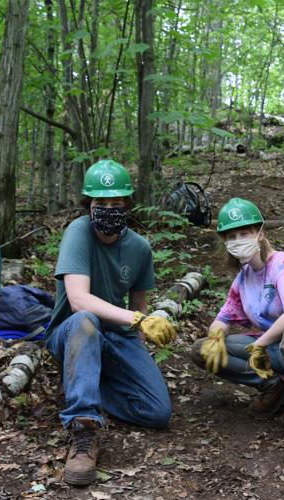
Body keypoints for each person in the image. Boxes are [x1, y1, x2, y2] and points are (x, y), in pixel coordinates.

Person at [45, 159, 177, 486]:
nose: (108, 209)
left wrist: (141, 342)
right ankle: (83, 427)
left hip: (116, 336)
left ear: (127, 205)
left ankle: (89, 381)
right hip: (72, 331)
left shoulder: (139, 248)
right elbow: (78, 299)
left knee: (157, 412)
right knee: (86, 320)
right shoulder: (78, 232)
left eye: (116, 203)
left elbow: (139, 305)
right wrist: (138, 319)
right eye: (100, 203)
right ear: (87, 205)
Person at [190, 198, 284, 461]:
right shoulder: (243, 277)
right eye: (231, 236)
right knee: (203, 350)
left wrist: (258, 345)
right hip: (272, 347)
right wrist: (215, 336)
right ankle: (275, 387)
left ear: (260, 233)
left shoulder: (283, 264)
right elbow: (223, 318)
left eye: (244, 233)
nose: (238, 240)